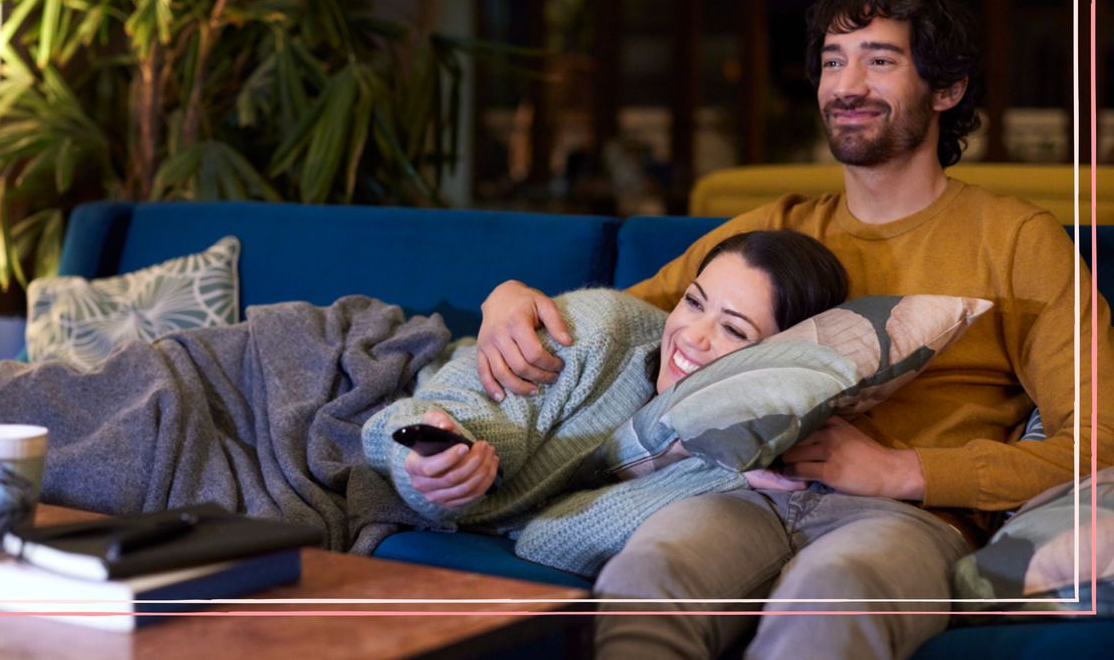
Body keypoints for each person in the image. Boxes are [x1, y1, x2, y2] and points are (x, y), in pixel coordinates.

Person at [474, 0, 1114, 658]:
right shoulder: (778, 228)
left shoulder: (1016, 240)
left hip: (908, 518)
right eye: (833, 61)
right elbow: (619, 322)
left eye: (880, 60)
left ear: (947, 90)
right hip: (740, 496)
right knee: (645, 573)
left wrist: (905, 471)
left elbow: (1098, 440)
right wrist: (509, 298)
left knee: (834, 593)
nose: (846, 85)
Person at [360, 230, 848, 574]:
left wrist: (718, 465)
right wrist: (428, 468)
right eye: (695, 303)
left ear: (779, 364)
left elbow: (551, 540)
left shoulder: (738, 458)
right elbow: (416, 419)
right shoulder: (597, 331)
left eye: (735, 329)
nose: (693, 338)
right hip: (369, 372)